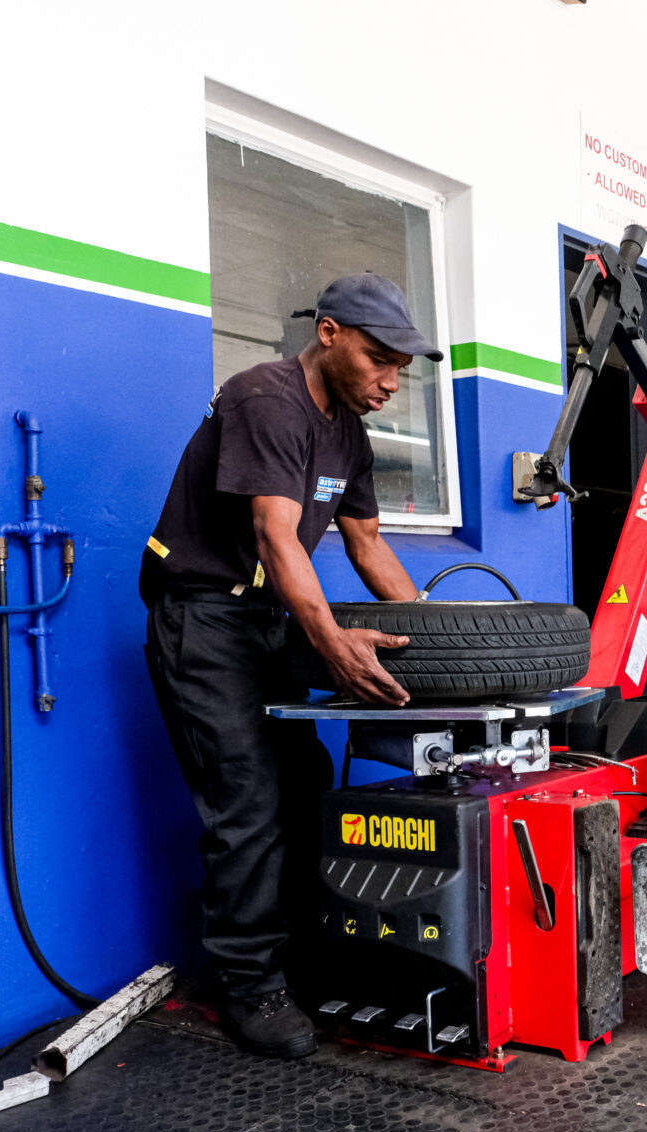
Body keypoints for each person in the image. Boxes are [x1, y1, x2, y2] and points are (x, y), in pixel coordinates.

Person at [140, 273, 441, 1057]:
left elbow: (368, 545)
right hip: (202, 621)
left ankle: (305, 958)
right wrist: (334, 643)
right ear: (331, 333)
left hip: (267, 622)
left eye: (401, 367)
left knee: (306, 791)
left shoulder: (350, 434)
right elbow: (278, 536)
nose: (390, 380)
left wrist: (441, 646)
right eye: (379, 358)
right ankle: (249, 987)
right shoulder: (266, 398)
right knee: (244, 802)